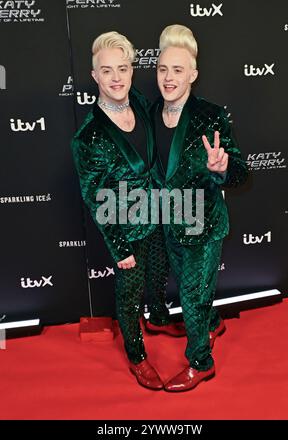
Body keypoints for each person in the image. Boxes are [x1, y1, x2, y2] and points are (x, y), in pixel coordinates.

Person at [71, 31, 185, 391]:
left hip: (158, 214)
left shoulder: (137, 99)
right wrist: (119, 248)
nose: (116, 78)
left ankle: (160, 317)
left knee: (159, 274)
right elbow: (95, 199)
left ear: (132, 72)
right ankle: (136, 355)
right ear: (95, 76)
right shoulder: (88, 138)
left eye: (123, 68)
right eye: (107, 71)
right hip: (126, 230)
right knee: (130, 291)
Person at [152, 24, 248, 392]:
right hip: (169, 222)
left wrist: (223, 168)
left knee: (191, 293)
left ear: (193, 73)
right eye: (163, 69)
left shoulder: (210, 116)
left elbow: (239, 173)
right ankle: (210, 321)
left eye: (178, 70)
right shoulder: (149, 114)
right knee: (190, 291)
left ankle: (201, 361)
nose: (169, 77)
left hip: (204, 225)